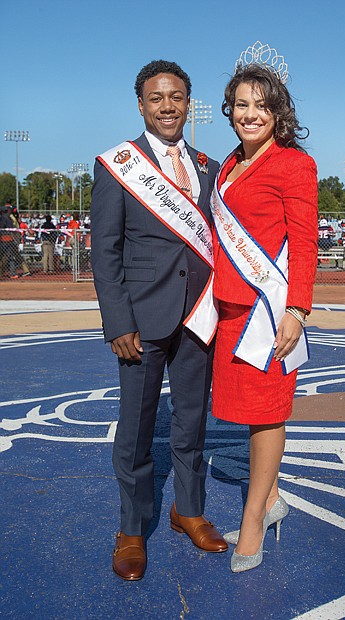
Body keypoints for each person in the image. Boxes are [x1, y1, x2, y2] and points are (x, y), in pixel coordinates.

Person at [90, 59, 227, 581]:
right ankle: (131, 527)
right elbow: (105, 251)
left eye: (176, 97)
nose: (167, 106)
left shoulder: (210, 166)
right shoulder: (118, 164)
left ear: (189, 103)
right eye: (156, 98)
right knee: (137, 428)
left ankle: (187, 510)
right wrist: (117, 321)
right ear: (141, 104)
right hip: (140, 322)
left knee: (193, 422)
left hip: (200, 315)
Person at [210, 44, 318, 573]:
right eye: (240, 105)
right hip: (230, 311)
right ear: (229, 109)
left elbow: (304, 242)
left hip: (269, 313)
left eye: (261, 105)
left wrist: (297, 309)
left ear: (278, 112)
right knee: (247, 415)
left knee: (268, 414)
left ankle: (253, 520)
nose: (249, 114)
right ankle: (273, 499)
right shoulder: (228, 163)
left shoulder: (295, 165)